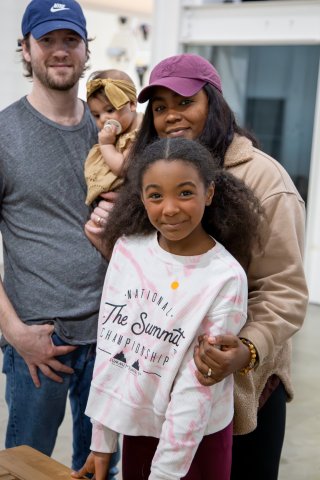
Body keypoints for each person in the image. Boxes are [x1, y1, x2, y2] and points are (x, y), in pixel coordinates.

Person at [102, 53, 307, 479]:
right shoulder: (153, 167)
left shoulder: (266, 181)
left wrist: (247, 348)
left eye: (185, 102)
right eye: (159, 108)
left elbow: (284, 290)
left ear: (213, 104)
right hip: (158, 379)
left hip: (240, 388)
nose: (171, 116)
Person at [71, 136, 264, 480]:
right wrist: (102, 438)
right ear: (141, 198)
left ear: (209, 192)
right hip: (138, 426)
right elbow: (112, 347)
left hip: (195, 439)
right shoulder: (128, 250)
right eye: (156, 195)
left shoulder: (224, 277)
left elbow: (198, 387)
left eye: (186, 192)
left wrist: (163, 474)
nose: (170, 208)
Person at [0, 0, 119, 477]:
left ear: (86, 50)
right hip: (38, 342)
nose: (60, 51)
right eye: (47, 40)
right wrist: (14, 332)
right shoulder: (5, 134)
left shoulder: (112, 131)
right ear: (26, 50)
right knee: (26, 466)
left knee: (100, 470)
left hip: (114, 337)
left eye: (70, 40)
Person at [84, 68, 143, 212]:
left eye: (110, 110)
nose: (103, 119)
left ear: (132, 104)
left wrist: (106, 145)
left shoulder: (139, 133)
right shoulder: (123, 128)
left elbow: (123, 168)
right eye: (96, 115)